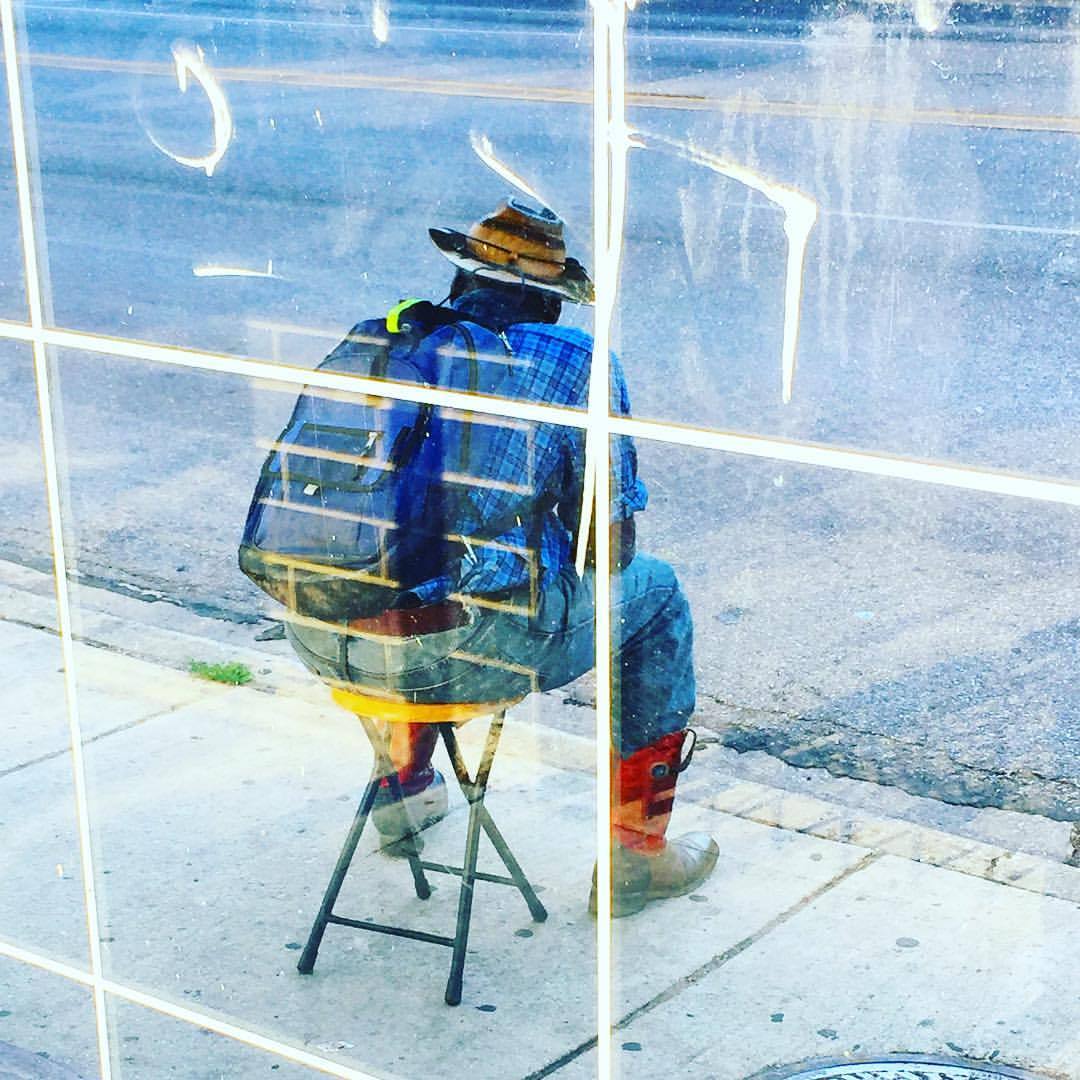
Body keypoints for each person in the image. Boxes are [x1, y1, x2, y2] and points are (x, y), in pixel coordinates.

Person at [283, 198, 718, 917]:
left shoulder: (386, 339)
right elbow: (611, 551)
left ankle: (404, 796)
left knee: (405, 577)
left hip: (321, 634)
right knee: (657, 597)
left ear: (461, 277)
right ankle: (635, 857)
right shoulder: (575, 363)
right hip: (462, 650)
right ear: (548, 299)